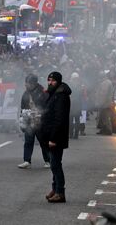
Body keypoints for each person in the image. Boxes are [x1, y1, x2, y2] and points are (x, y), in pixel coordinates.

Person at [41, 71, 71, 204]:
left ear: (58, 81)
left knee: (55, 164)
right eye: (48, 80)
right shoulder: (54, 93)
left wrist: (53, 138)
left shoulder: (61, 96)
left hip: (57, 136)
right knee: (54, 164)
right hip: (52, 134)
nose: (50, 83)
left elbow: (59, 119)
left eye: (52, 81)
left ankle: (60, 192)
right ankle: (55, 189)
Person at [17, 74, 50, 169]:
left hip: (40, 121)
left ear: (34, 83)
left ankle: (48, 161)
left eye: (28, 83)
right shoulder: (25, 93)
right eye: (26, 83)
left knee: (43, 142)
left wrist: (42, 115)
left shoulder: (43, 92)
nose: (26, 85)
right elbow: (23, 108)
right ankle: (27, 160)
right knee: (28, 141)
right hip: (29, 121)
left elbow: (48, 107)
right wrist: (22, 120)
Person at [68, 72, 83, 140]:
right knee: (76, 120)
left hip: (72, 105)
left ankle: (71, 134)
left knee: (71, 120)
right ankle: (75, 135)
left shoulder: (70, 85)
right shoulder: (80, 86)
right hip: (77, 105)